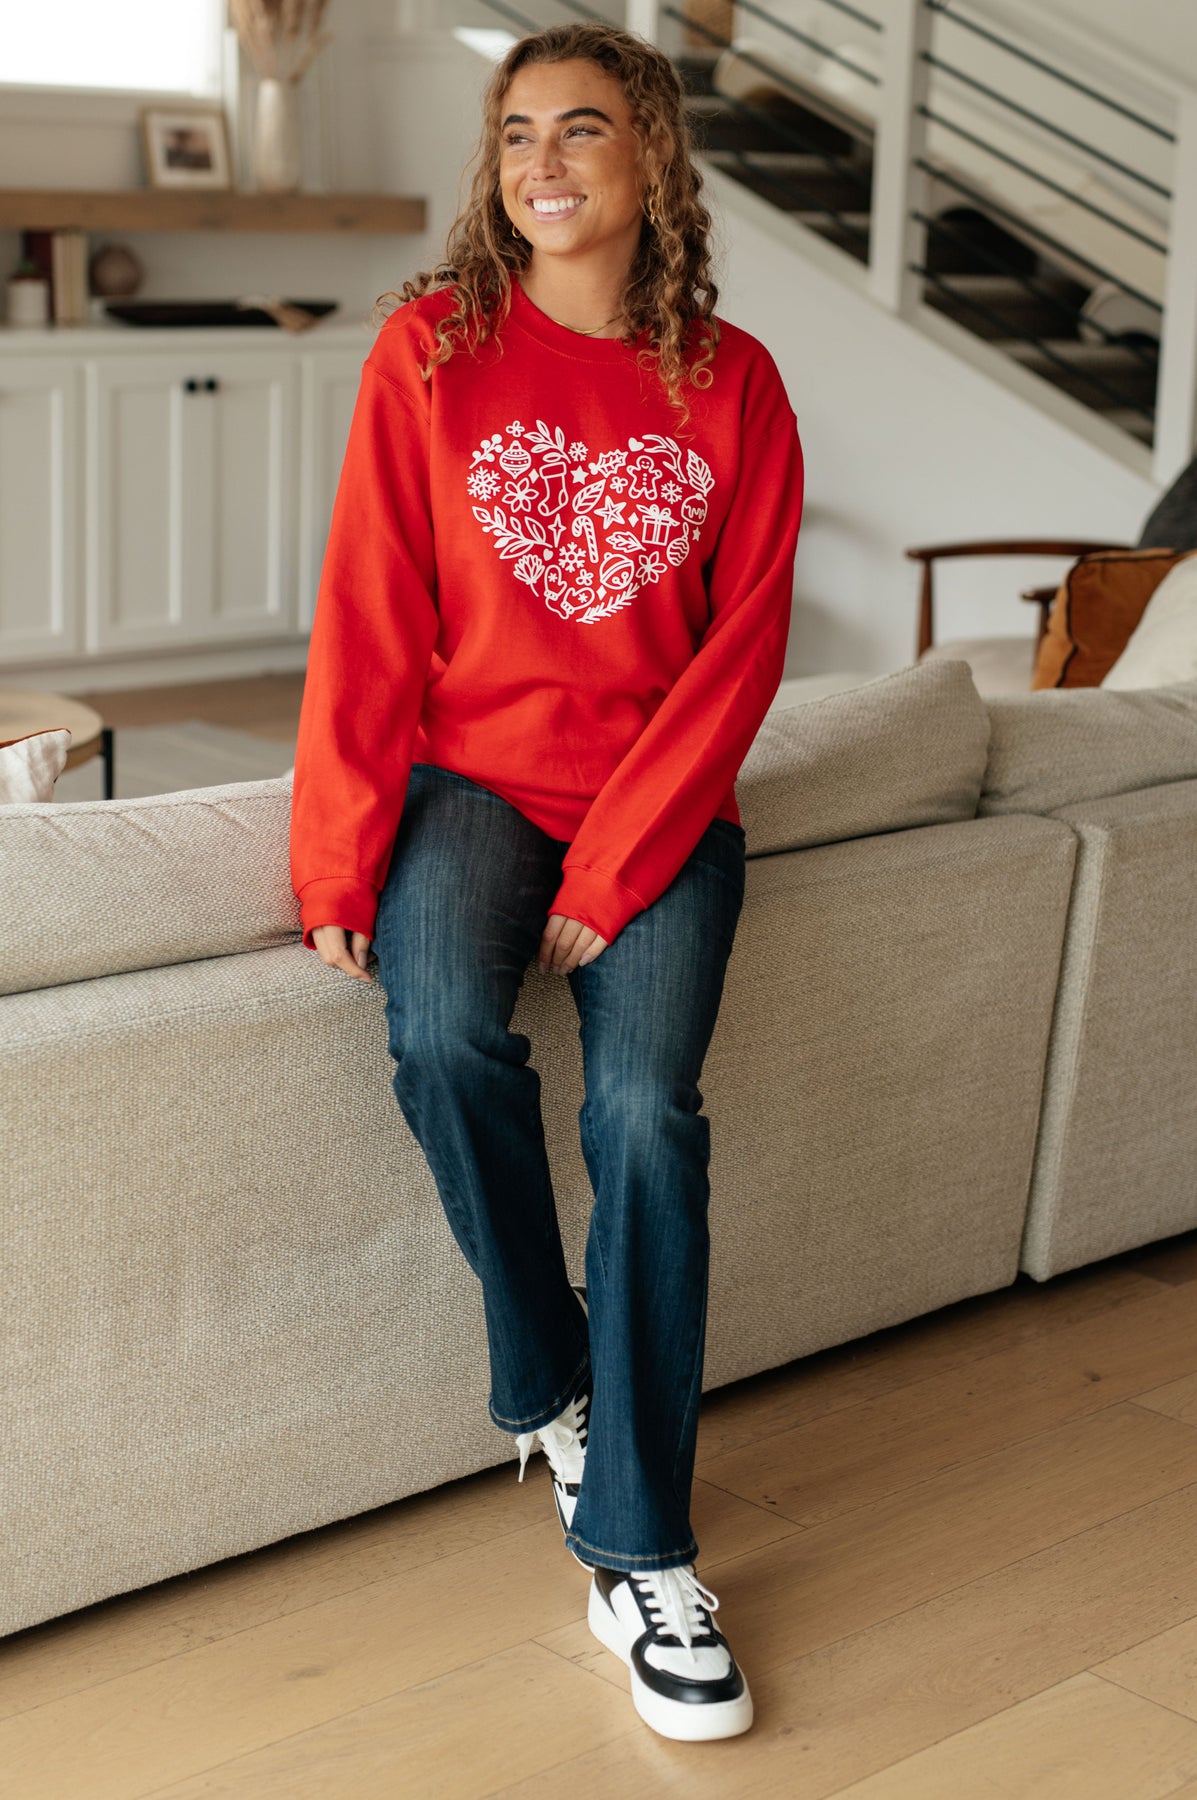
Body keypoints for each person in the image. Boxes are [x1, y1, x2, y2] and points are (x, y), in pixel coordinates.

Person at [289, 19, 804, 1744]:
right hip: (470, 786)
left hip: (658, 805)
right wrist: (335, 847)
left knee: (646, 1116)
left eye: (583, 129)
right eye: (517, 134)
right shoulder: (431, 349)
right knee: (440, 1034)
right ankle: (549, 1377)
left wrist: (625, 854)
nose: (544, 163)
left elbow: (740, 655)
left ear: (651, 156)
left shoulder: (732, 383)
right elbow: (371, 607)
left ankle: (645, 1554)